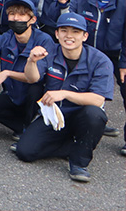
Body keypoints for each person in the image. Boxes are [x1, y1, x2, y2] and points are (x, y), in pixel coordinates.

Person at [16, 13, 115, 183]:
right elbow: (32, 78)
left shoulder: (100, 61)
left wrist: (65, 93)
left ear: (85, 36)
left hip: (81, 115)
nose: (69, 36)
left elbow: (98, 100)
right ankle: (70, 144)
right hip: (55, 115)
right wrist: (31, 61)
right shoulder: (50, 52)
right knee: (24, 152)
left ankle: (79, 162)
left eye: (76, 32)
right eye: (64, 30)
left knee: (95, 114)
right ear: (57, 34)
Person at [64, 0, 125, 146]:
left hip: (117, 52)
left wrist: (124, 63)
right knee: (73, 87)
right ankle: (69, 130)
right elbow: (70, 22)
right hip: (86, 50)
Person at [0, 0, 55, 140]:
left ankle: (32, 125)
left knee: (35, 89)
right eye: (12, 14)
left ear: (32, 19)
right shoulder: (8, 36)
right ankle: (22, 126)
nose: (16, 18)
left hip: (36, 97)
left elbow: (34, 78)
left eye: (21, 15)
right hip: (13, 94)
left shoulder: (44, 40)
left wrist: (7, 73)